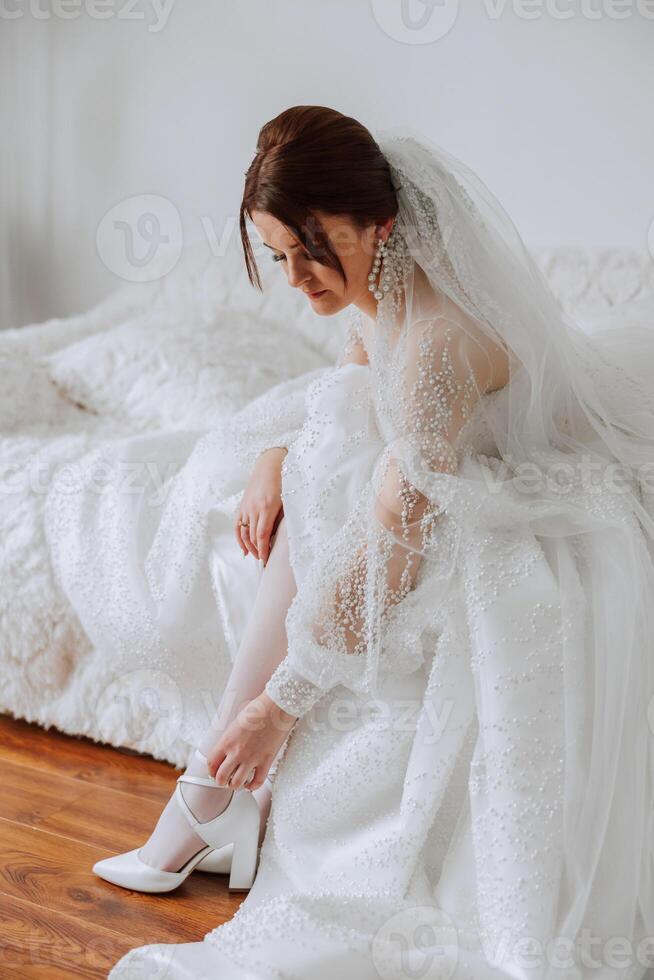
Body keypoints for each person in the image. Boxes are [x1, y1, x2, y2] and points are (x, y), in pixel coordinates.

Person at [44, 106, 654, 979]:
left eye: (313, 247)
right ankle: (210, 802)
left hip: (514, 515)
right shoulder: (384, 288)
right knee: (303, 471)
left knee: (331, 503)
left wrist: (278, 707)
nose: (298, 278)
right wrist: (275, 454)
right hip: (427, 487)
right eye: (277, 254)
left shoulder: (440, 346)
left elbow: (396, 542)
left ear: (381, 223)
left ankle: (209, 797)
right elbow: (349, 381)